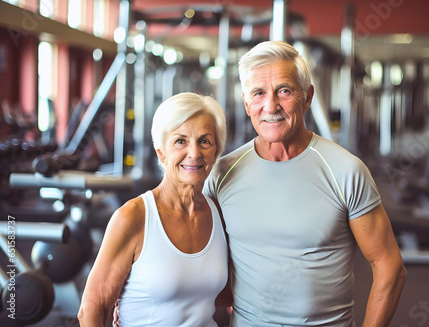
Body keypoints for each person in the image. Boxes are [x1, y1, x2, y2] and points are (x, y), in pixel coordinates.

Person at [204, 41, 407, 326]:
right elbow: (193, 258)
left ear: (307, 97)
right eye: (259, 93)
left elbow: (389, 266)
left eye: (284, 91)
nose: (270, 106)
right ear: (247, 102)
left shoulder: (345, 170)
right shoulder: (222, 174)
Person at [78, 92, 229, 327]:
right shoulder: (133, 217)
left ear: (216, 151)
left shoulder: (218, 213)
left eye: (204, 141)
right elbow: (92, 309)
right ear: (161, 152)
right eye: (180, 141)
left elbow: (220, 293)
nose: (194, 153)